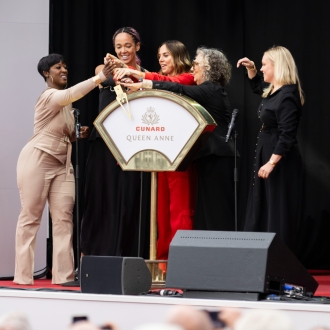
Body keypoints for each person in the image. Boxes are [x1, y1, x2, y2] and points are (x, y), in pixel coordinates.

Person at [14, 53, 113, 285]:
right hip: (38, 159)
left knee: (63, 219)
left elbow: (66, 133)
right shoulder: (50, 96)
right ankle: (22, 278)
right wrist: (99, 77)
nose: (64, 70)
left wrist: (78, 134)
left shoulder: (67, 106)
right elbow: (70, 94)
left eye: (65, 66)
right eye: (58, 67)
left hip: (61, 165)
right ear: (47, 74)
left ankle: (64, 278)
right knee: (30, 218)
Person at [121, 47, 236, 232]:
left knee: (219, 211)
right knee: (208, 212)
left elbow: (177, 87)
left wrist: (144, 84)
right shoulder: (207, 89)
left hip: (218, 156)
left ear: (208, 68)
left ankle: (225, 257)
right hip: (209, 157)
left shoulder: (211, 89)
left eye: (196, 64)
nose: (192, 69)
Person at [114, 40, 196, 260]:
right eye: (160, 55)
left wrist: (134, 72)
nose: (161, 59)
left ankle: (182, 261)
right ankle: (162, 262)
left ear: (179, 56)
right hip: (160, 153)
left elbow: (164, 81)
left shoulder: (189, 77)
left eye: (166, 55)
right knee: (161, 213)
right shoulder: (156, 79)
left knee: (179, 211)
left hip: (180, 153)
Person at [80, 27, 150, 257]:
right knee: (102, 200)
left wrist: (136, 73)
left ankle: (128, 256)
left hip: (132, 142)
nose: (123, 50)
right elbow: (110, 77)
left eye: (128, 45)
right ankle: (94, 256)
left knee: (130, 200)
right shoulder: (104, 68)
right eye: (118, 46)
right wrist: (118, 67)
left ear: (137, 46)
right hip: (105, 142)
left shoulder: (145, 74)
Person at [237, 46, 304, 253]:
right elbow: (258, 87)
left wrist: (271, 162)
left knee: (277, 209)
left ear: (278, 66)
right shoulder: (274, 91)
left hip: (279, 161)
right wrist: (252, 69)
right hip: (267, 154)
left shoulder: (287, 96)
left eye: (265, 64)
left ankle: (278, 260)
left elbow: (287, 135)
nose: (262, 68)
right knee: (263, 206)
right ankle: (257, 256)